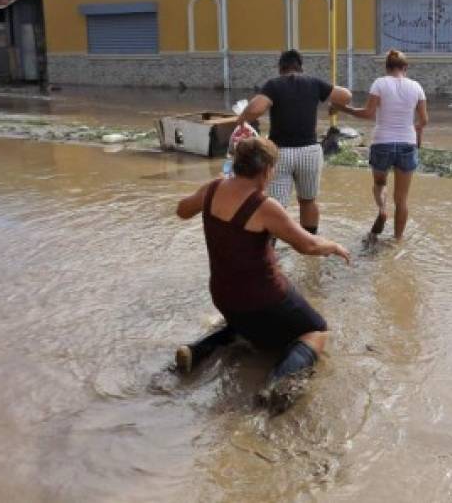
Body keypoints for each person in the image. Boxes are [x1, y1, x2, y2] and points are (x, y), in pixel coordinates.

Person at [174, 136, 350, 407]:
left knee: (241, 324)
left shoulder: (213, 188)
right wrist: (334, 245)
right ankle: (275, 384)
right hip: (264, 298)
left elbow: (182, 210)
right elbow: (307, 245)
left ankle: (196, 351)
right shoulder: (264, 206)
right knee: (316, 331)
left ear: (236, 163)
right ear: (267, 170)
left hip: (222, 294)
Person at [236, 49, 352, 235]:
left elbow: (255, 109)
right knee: (308, 200)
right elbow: (346, 96)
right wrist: (334, 105)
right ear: (301, 67)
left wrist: (241, 119)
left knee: (276, 205)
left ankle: (270, 248)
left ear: (281, 68)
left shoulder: (274, 85)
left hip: (279, 153)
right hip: (310, 152)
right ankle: (309, 242)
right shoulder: (314, 83)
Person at [333, 49, 428, 241]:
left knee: (379, 183)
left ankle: (383, 210)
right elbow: (424, 120)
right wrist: (416, 132)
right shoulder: (417, 87)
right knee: (402, 200)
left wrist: (343, 108)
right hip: (407, 144)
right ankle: (397, 240)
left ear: (387, 67)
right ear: (405, 68)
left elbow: (368, 113)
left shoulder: (380, 83)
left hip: (382, 141)